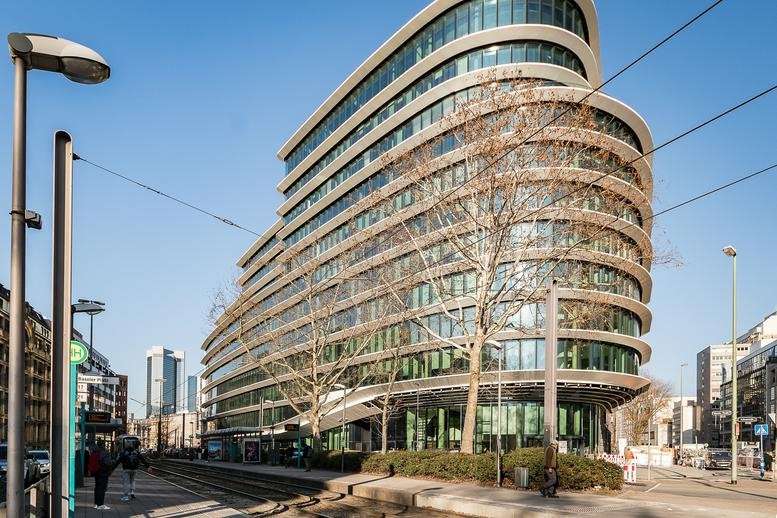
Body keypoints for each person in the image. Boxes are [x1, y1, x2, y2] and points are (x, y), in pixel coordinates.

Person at [91, 440, 115, 510]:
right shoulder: (105, 452)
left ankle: (96, 504)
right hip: (103, 472)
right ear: (103, 445)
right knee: (102, 488)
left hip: (96, 472)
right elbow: (108, 463)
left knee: (97, 487)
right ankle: (100, 505)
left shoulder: (94, 451)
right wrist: (113, 462)